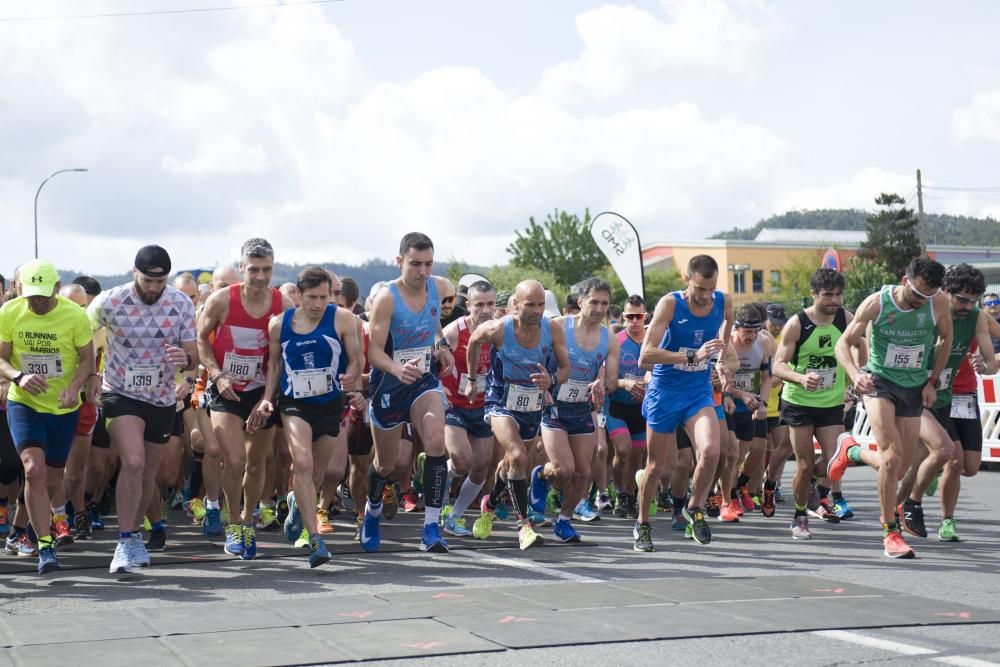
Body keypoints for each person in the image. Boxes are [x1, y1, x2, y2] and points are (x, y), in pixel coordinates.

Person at [833, 256, 951, 559]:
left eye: (927, 296)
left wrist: (931, 381)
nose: (919, 302)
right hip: (879, 382)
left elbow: (946, 339)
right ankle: (890, 531)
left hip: (913, 386)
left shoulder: (937, 303)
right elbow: (843, 344)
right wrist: (856, 374)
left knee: (899, 468)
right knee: (891, 456)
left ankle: (852, 450)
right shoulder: (877, 302)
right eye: (916, 294)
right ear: (904, 282)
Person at [89, 246, 198, 572]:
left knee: (149, 474)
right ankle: (123, 541)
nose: (154, 288)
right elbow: (82, 337)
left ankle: (133, 534)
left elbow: (192, 354)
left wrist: (186, 363)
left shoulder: (180, 303)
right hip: (120, 392)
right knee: (133, 462)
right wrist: (91, 375)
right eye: (148, 281)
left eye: (160, 281)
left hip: (161, 397)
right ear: (134, 272)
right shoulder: (109, 301)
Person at [255, 267, 360, 567]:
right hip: (294, 403)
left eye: (324, 297)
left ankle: (296, 505)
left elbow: (356, 359)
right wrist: (266, 399)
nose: (318, 304)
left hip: (329, 403)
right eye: (312, 297)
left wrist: (352, 378)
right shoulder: (279, 324)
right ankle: (315, 539)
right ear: (298, 295)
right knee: (302, 463)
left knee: (317, 475)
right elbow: (274, 367)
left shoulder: (342, 318)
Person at [197, 238, 293, 559]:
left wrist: (267, 399)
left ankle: (249, 519)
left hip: (261, 390)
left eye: (267, 270)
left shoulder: (283, 305)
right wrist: (217, 374)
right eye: (253, 270)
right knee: (234, 460)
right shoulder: (222, 300)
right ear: (242, 269)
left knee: (256, 463)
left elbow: (280, 359)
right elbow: (201, 340)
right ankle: (234, 523)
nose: (260, 277)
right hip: (226, 388)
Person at [361, 233, 456, 553]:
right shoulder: (387, 298)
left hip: (422, 380)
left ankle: (431, 527)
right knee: (386, 464)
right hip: (389, 383)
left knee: (435, 441)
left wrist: (441, 346)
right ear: (399, 261)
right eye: (415, 264)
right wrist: (396, 369)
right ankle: (372, 510)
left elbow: (434, 324)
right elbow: (373, 352)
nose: (423, 271)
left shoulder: (440, 287)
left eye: (428, 264)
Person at [0, 260, 96, 574]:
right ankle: (44, 546)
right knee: (33, 470)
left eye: (43, 295)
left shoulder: (75, 315)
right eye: (31, 296)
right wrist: (17, 376)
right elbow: (1, 357)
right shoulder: (10, 312)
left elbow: (87, 360)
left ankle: (19, 529)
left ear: (57, 288)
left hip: (62, 407)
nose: (37, 302)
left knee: (52, 479)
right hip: (24, 403)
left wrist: (74, 388)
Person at [634, 255, 734, 551]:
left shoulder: (724, 301)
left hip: (697, 393)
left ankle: (694, 507)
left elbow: (723, 344)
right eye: (701, 289)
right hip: (664, 393)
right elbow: (645, 356)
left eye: (711, 289)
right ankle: (642, 524)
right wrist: (691, 356)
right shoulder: (670, 304)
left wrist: (721, 364)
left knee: (713, 451)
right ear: (686, 281)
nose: (706, 296)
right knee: (655, 467)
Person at [467, 279, 570, 549]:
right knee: (517, 456)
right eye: (530, 305)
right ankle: (523, 526)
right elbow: (474, 341)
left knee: (513, 465)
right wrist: (471, 378)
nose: (537, 310)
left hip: (532, 404)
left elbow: (565, 369)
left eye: (540, 305)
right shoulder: (499, 329)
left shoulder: (553, 330)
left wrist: (553, 381)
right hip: (500, 400)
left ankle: (489, 502)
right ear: (515, 304)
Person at [530, 278, 618, 542]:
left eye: (604, 303)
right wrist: (544, 386)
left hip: (582, 407)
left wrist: (601, 384)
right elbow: (535, 360)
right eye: (594, 302)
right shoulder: (557, 326)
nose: (600, 309)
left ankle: (564, 521)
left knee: (584, 472)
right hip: (553, 405)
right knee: (564, 469)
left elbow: (612, 381)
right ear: (580, 302)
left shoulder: (609, 338)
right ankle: (541, 477)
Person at [773, 268, 853, 539]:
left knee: (836, 463)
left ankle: (815, 492)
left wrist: (857, 374)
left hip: (831, 403)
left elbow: (862, 345)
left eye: (839, 295)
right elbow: (778, 366)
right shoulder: (797, 324)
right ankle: (799, 516)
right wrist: (800, 377)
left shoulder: (846, 318)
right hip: (799, 402)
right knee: (805, 465)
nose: (835, 300)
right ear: (814, 295)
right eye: (828, 295)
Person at [438, 281, 497, 536]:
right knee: (462, 461)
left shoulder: (500, 331)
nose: (485, 310)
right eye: (480, 304)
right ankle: (437, 494)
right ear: (469, 306)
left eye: (490, 304)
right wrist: (441, 392)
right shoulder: (454, 331)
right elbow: (433, 362)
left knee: (481, 467)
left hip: (483, 405)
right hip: (455, 406)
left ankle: (455, 516)